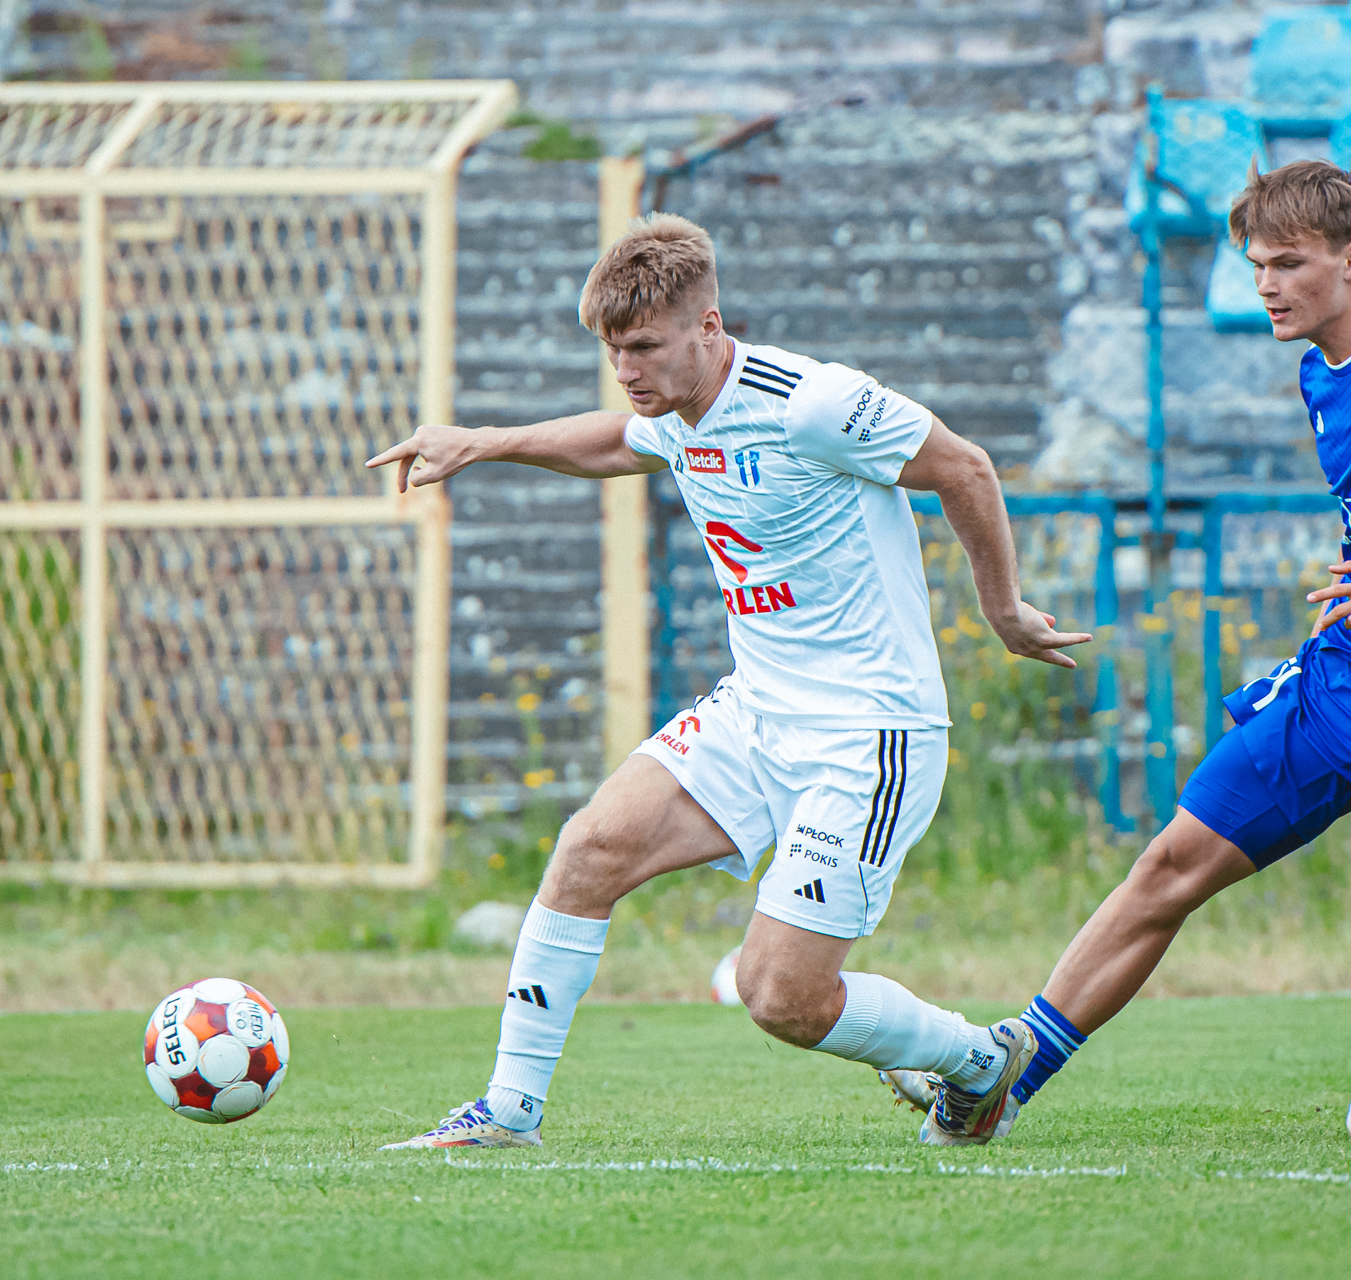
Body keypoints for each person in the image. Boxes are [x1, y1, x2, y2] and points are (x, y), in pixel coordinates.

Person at [367, 213, 1092, 1149]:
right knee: (589, 848)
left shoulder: (812, 404)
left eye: (643, 348)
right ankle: (507, 1114)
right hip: (757, 712)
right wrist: (481, 442)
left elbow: (966, 467)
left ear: (709, 327)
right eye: (612, 350)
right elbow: (617, 443)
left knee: (781, 998)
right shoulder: (676, 413)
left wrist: (1002, 610)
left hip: (868, 735)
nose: (626, 370)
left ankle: (978, 1062)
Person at [886, 160, 1351, 1142]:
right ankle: (1002, 1081)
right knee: (1171, 862)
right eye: (1257, 265)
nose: (1266, 286)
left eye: (1288, 264)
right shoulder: (1318, 370)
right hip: (1347, 675)